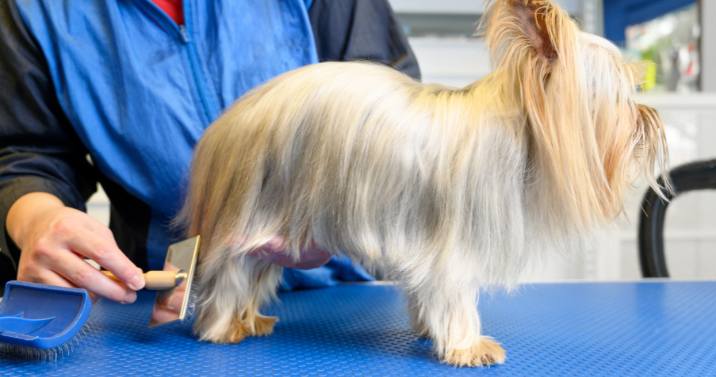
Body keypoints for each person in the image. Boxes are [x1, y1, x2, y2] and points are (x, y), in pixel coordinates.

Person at [0, 0, 420, 301]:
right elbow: (27, 152)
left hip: (349, 294)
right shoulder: (32, 10)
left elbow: (393, 115)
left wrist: (335, 219)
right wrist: (37, 217)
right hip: (166, 291)